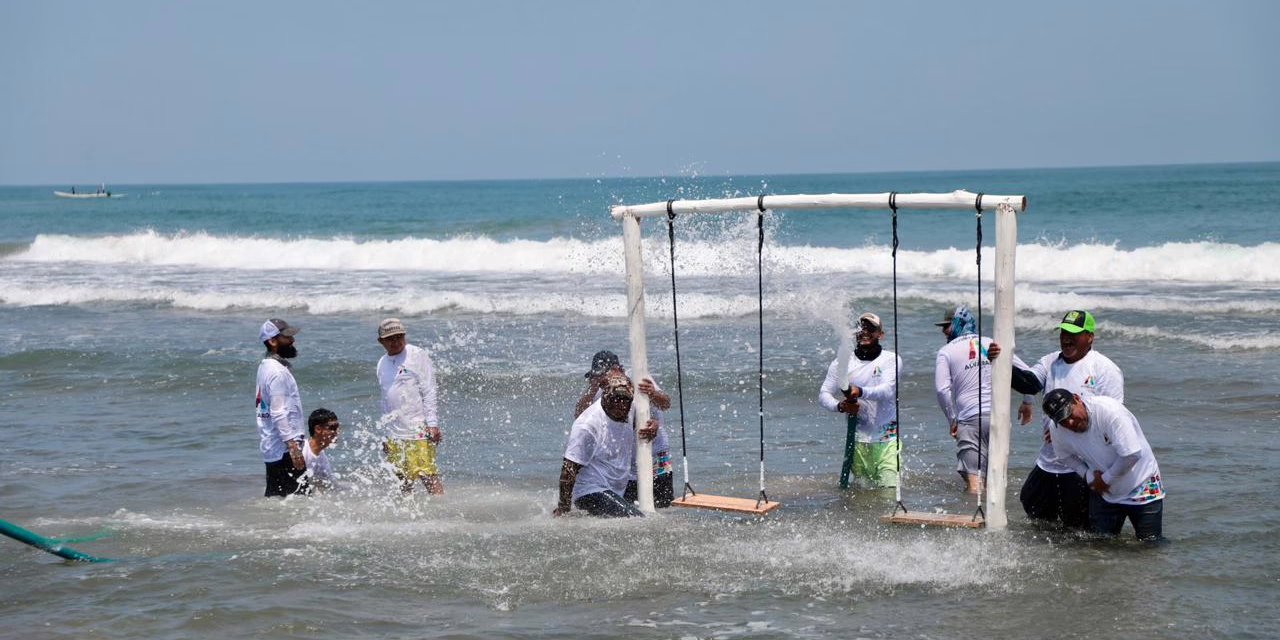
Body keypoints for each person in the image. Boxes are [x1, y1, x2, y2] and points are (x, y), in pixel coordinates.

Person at [990, 309, 1125, 529]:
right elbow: (1029, 384)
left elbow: (1113, 422)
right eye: (1063, 332)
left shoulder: (1105, 369)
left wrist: (1067, 431)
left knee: (1079, 528)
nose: (1065, 338)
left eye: (1073, 333)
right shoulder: (1051, 362)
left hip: (1082, 464)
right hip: (1049, 460)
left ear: (1090, 337)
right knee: (1032, 504)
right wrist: (1001, 362)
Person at [933, 306, 1035, 494]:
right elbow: (1029, 374)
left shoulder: (946, 352)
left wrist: (952, 420)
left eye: (946, 326)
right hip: (1000, 419)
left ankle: (979, 520)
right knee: (995, 478)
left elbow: (942, 390)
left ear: (958, 323)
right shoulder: (991, 343)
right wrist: (1027, 402)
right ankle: (996, 518)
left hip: (971, 421)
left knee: (975, 483)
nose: (943, 331)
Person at [1041, 389, 1165, 541]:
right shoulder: (1058, 429)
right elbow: (1065, 456)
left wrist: (1105, 480)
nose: (1070, 423)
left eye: (1070, 414)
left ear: (1077, 399)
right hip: (1104, 492)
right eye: (1062, 421)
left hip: (1142, 484)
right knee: (1100, 546)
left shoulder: (1109, 412)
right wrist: (1088, 476)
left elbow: (1132, 454)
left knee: (1150, 545)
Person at [573, 351, 675, 508]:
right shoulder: (601, 390)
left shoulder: (638, 376)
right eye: (598, 376)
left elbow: (665, 404)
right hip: (625, 469)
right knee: (630, 516)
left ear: (617, 369)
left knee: (662, 510)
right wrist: (593, 388)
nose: (604, 380)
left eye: (604, 375)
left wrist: (652, 393)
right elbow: (579, 417)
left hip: (655, 458)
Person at [555, 372, 659, 517]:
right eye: (616, 399)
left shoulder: (629, 408)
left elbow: (641, 422)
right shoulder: (588, 426)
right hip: (589, 492)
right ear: (605, 398)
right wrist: (563, 507)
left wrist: (653, 425)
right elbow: (569, 468)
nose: (621, 405)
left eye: (625, 400)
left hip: (615, 489)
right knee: (637, 520)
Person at [817, 312, 902, 488]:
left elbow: (887, 390)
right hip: (856, 441)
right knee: (862, 498)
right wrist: (840, 406)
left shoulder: (891, 359)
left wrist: (860, 391)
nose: (864, 331)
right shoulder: (842, 362)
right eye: (860, 327)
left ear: (880, 334)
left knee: (889, 493)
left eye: (871, 328)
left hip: (888, 439)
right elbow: (824, 394)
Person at [375, 318, 444, 495]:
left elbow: (429, 390)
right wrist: (386, 434)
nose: (396, 342)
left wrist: (433, 424)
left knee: (428, 475)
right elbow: (385, 399)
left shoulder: (416, 355)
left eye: (399, 337)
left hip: (418, 429)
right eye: (390, 338)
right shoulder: (381, 363)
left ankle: (442, 514)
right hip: (395, 433)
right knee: (402, 481)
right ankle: (408, 518)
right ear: (381, 341)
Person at [254, 318, 306, 497]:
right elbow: (278, 411)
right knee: (300, 503)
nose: (292, 341)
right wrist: (293, 446)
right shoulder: (277, 372)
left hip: (273, 449)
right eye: (287, 337)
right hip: (284, 450)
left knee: (279, 503)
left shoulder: (265, 366)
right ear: (272, 341)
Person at [299, 408, 341, 494]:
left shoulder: (321, 455)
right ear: (318, 429)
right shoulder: (302, 451)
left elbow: (333, 484)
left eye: (337, 428)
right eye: (333, 428)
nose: (337, 432)